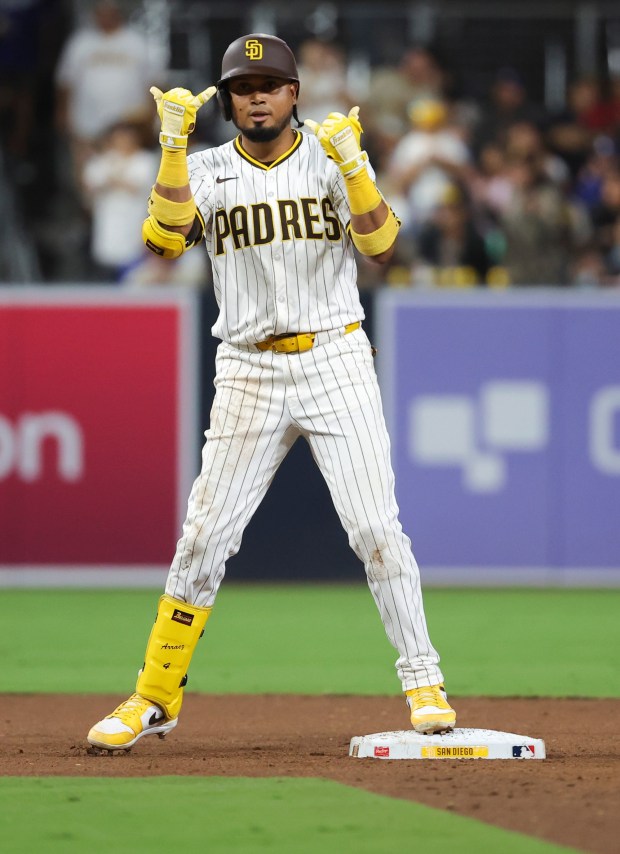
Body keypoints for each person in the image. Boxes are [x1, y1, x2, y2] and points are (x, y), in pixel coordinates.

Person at [86, 33, 456, 752]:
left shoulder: (333, 153)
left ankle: (424, 682)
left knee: (376, 528)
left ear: (294, 93)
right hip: (248, 368)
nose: (256, 96)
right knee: (204, 539)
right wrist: (169, 150)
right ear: (227, 101)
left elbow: (382, 248)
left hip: (335, 356)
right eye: (242, 86)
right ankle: (154, 697)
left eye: (269, 84)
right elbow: (162, 245)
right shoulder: (208, 168)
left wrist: (355, 167)